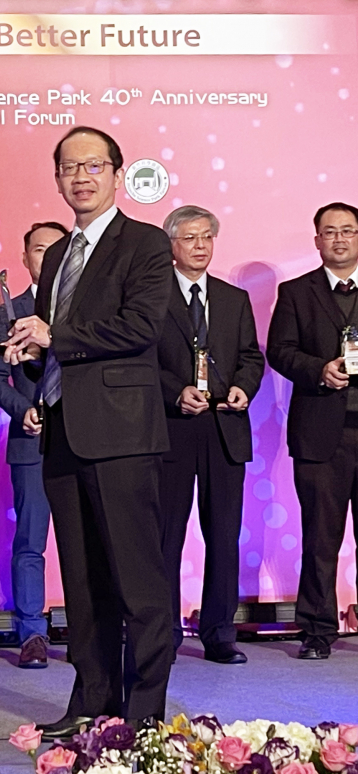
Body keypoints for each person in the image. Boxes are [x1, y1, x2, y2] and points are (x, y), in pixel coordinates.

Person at [5, 126, 174, 733]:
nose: (81, 177)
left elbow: (141, 327)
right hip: (61, 432)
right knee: (81, 582)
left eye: (93, 166)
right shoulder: (56, 255)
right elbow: (55, 341)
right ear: (57, 179)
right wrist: (28, 350)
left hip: (122, 435)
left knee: (137, 582)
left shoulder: (146, 243)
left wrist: (55, 336)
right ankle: (92, 704)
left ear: (117, 175)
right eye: (69, 168)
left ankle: (144, 717)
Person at [158, 205, 264, 665]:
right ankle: (161, 633)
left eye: (206, 237)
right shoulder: (152, 296)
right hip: (172, 429)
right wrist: (174, 392)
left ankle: (220, 632)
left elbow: (251, 357)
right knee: (165, 536)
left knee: (223, 535)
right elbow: (142, 361)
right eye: (190, 238)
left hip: (225, 427)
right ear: (171, 245)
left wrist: (243, 387)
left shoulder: (232, 298)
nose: (200, 246)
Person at [267, 201, 358, 660]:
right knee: (321, 539)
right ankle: (318, 631)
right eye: (330, 231)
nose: (339, 239)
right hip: (321, 434)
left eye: (348, 230)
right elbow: (279, 351)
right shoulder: (296, 292)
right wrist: (320, 370)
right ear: (317, 239)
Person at [0, 221, 68, 668]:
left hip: (82, 439)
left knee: (86, 542)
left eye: (57, 249)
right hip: (31, 441)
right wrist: (23, 410)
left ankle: (89, 630)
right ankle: (32, 633)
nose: (47, 257)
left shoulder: (83, 308)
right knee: (31, 540)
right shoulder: (9, 311)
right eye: (39, 249)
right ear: (24, 257)